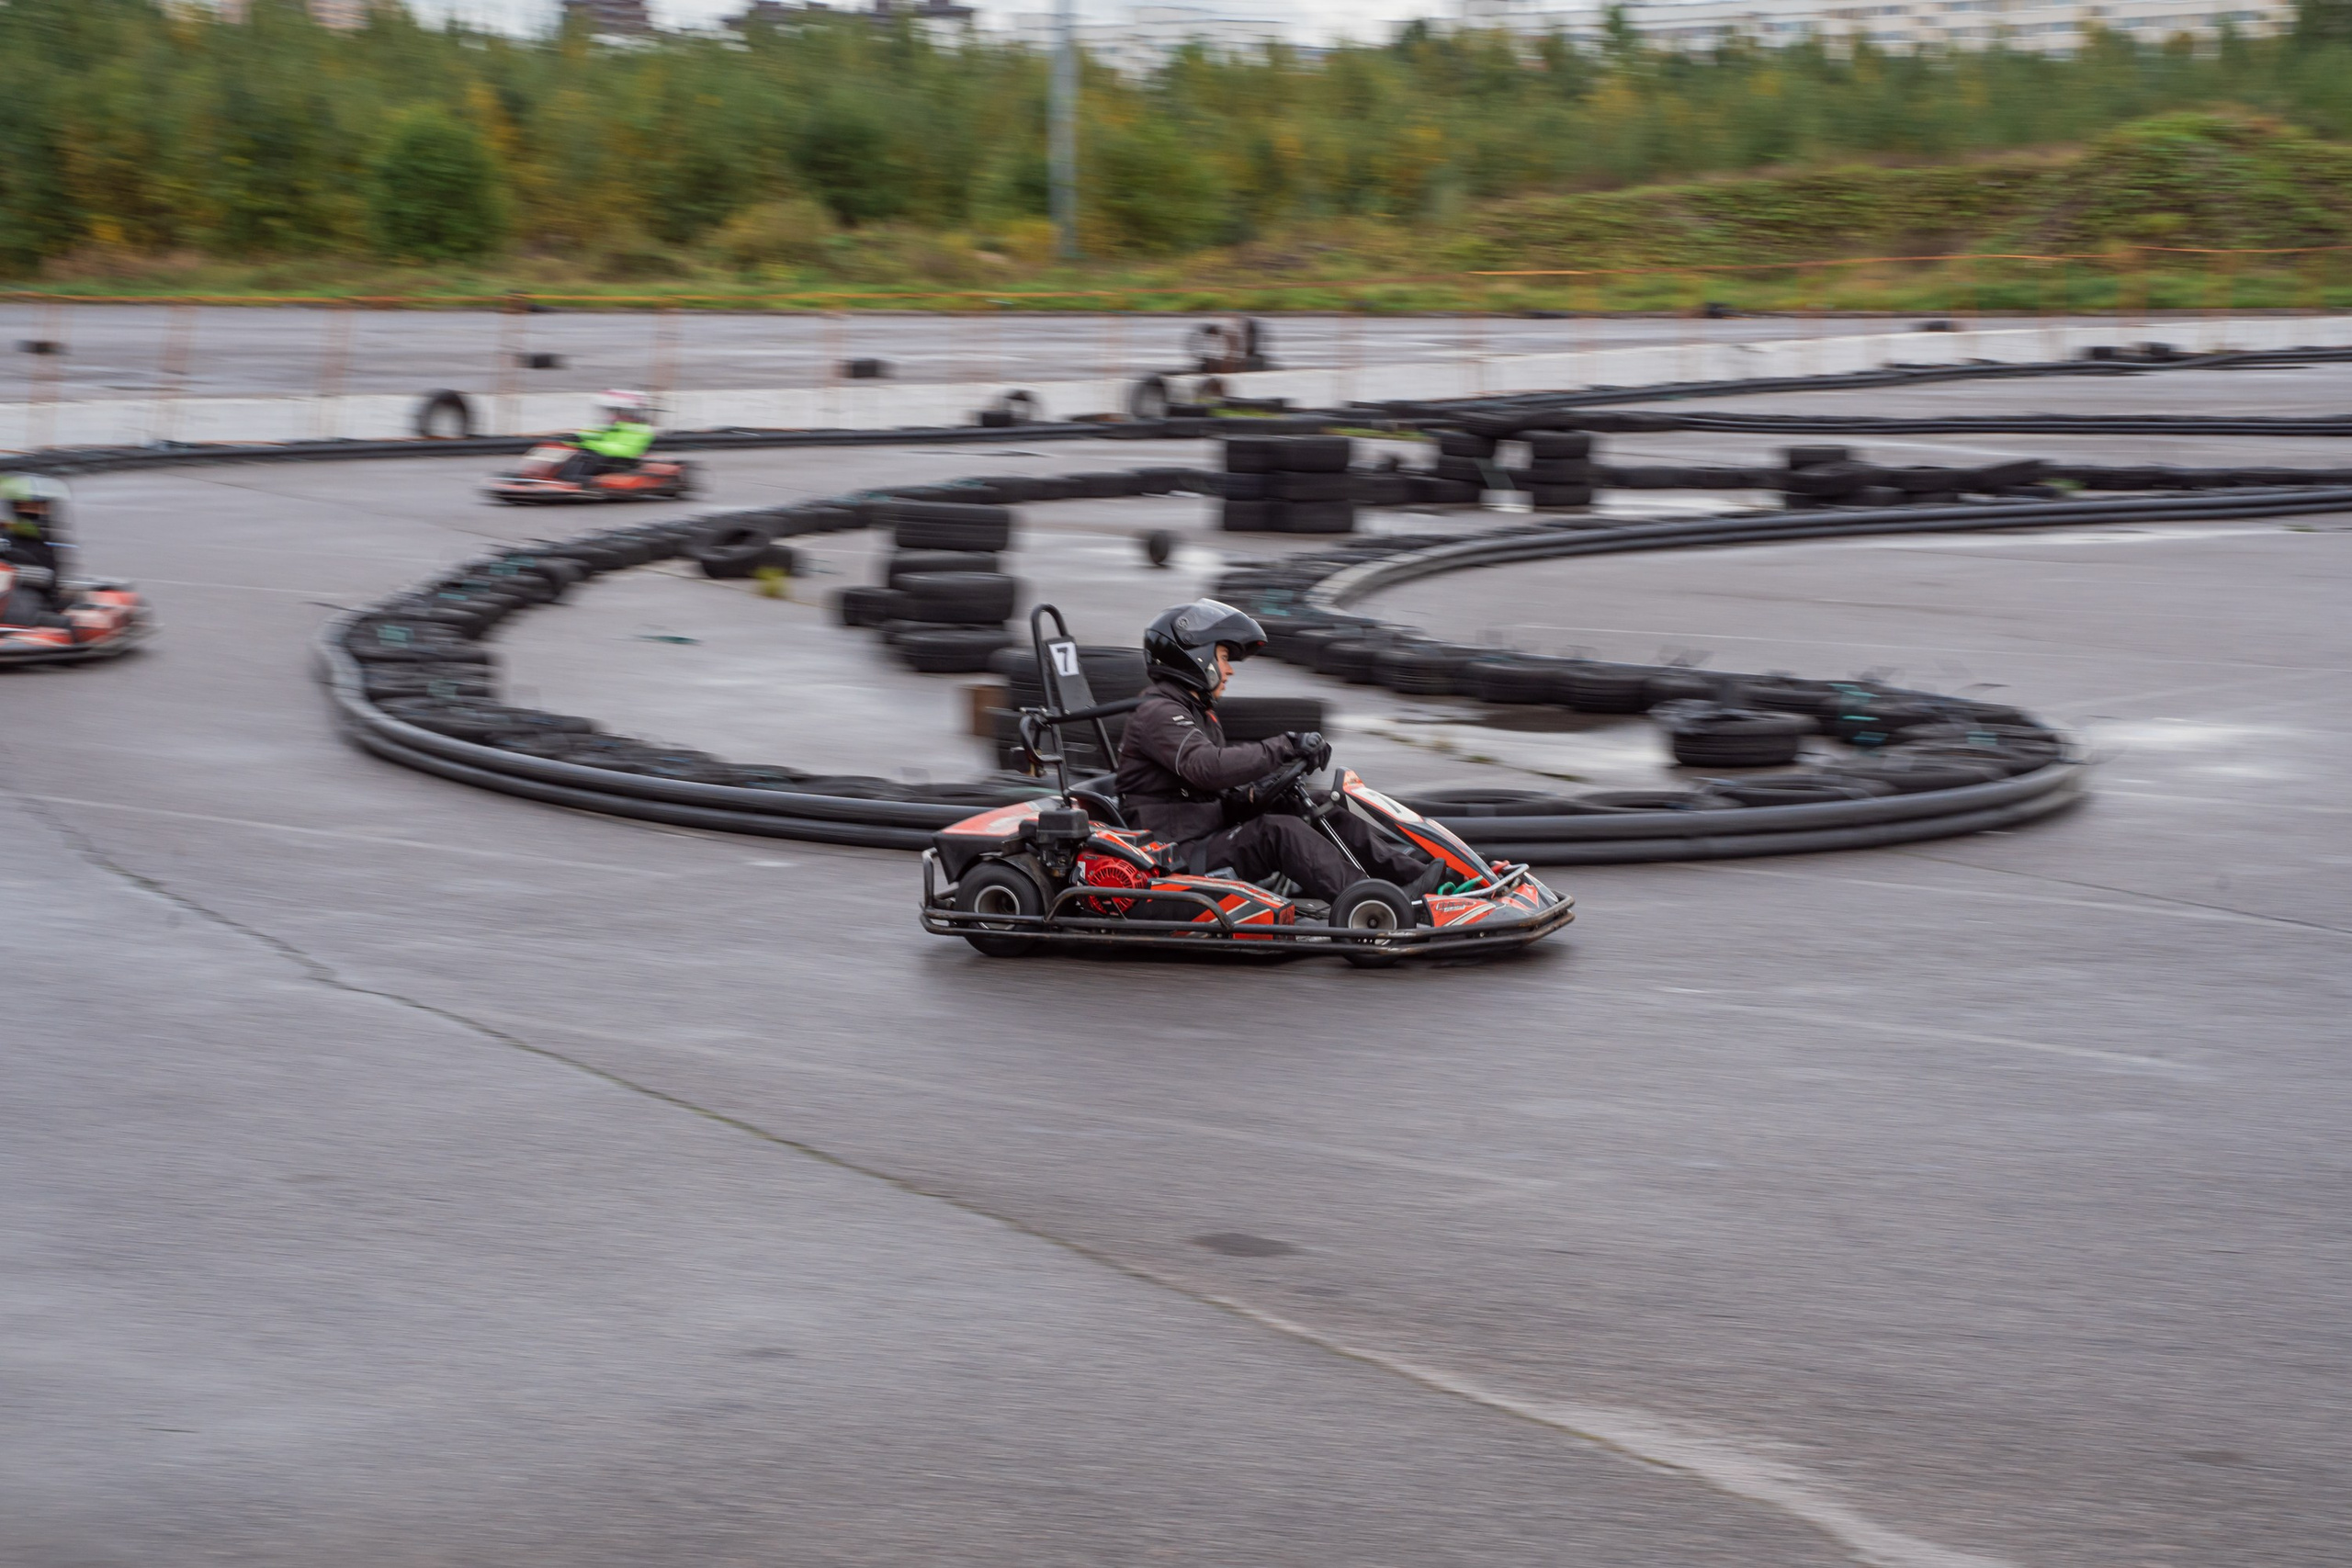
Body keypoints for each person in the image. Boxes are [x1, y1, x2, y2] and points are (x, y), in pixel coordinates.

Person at [1115, 599, 1440, 908]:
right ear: (1196, 656)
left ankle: (1422, 881)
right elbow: (1207, 768)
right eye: (1224, 657)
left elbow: (1213, 791)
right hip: (1176, 854)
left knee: (1319, 805)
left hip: (1201, 834)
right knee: (1278, 832)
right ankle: (1374, 905)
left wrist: (1262, 792)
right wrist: (1285, 746)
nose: (1228, 671)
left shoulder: (1193, 712)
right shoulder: (1157, 712)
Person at [0, 474, 73, 625]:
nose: (34, 512)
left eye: (40, 507)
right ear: (15, 508)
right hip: (7, 601)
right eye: (26, 506)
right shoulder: (5, 538)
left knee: (66, 623)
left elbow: (53, 584)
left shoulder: (49, 543)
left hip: (34, 608)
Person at [571, 389, 657, 475]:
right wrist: (571, 437)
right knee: (579, 455)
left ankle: (573, 479)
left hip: (618, 465)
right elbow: (591, 433)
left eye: (617, 412)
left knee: (591, 456)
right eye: (611, 411)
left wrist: (588, 443)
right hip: (603, 462)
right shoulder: (617, 426)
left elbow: (625, 450)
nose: (612, 416)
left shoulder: (639, 430)